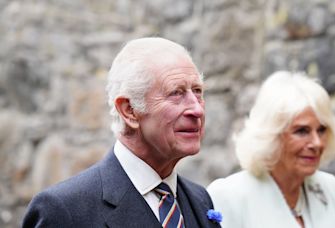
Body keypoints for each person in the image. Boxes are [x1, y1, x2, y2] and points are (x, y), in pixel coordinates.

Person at [22, 37, 221, 228]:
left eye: (197, 91)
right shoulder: (65, 211)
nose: (197, 109)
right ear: (129, 110)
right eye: (176, 93)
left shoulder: (199, 200)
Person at [207, 71, 335, 228]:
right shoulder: (229, 195)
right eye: (302, 131)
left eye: (321, 130)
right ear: (271, 135)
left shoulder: (328, 187)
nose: (316, 143)